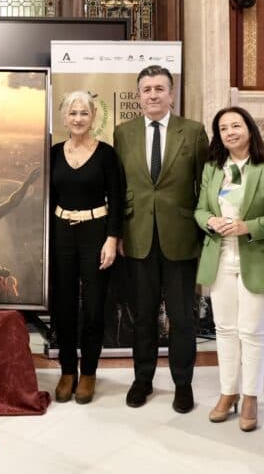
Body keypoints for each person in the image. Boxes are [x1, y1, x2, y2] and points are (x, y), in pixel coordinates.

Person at [113, 65, 209, 413]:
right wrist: (120, 232)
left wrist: (204, 232)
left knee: (183, 317)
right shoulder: (123, 133)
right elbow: (119, 186)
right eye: (146, 89)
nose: (152, 95)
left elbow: (206, 186)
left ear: (171, 94)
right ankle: (143, 380)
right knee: (143, 315)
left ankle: (183, 384)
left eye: (159, 89)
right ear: (138, 96)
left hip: (181, 237)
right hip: (137, 238)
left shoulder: (194, 132)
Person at [194, 107, 264, 431]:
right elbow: (200, 210)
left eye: (236, 125)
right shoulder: (214, 168)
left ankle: (250, 396)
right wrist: (210, 221)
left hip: (256, 258)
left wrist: (249, 226)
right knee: (225, 330)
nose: (230, 132)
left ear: (249, 129)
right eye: (223, 128)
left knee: (253, 333)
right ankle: (227, 392)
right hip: (220, 258)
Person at [49, 91, 124, 405]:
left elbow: (118, 198)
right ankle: (68, 371)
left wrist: (112, 238)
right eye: (72, 113)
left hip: (96, 232)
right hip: (61, 232)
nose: (78, 118)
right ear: (65, 117)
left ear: (93, 117)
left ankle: (89, 371)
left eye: (84, 113)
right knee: (63, 306)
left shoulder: (106, 154)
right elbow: (47, 198)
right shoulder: (53, 153)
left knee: (94, 307)